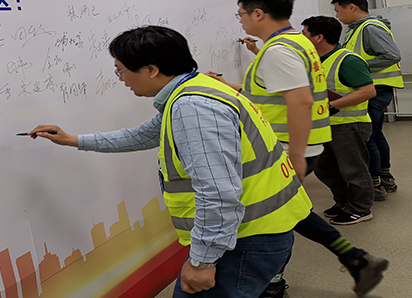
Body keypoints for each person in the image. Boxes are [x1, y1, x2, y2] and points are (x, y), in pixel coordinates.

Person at [28, 25, 313, 298]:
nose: (121, 79)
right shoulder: (196, 88)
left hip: (245, 239)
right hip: (258, 228)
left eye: (121, 71)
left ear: (151, 70)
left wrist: (202, 262)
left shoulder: (194, 107)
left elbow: (218, 192)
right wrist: (73, 139)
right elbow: (143, 135)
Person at [208, 0, 388, 297]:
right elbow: (273, 94)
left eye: (241, 14)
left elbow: (300, 101)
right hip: (289, 145)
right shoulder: (296, 43)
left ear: (258, 14)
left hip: (282, 148)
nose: (241, 20)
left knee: (272, 217)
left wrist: (296, 154)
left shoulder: (278, 50)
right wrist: (225, 85)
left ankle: (275, 283)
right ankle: (355, 259)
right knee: (289, 208)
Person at [301, 16, 376, 225]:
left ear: (318, 37)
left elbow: (368, 91)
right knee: (325, 169)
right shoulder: (314, 60)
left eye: (304, 33)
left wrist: (332, 106)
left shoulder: (348, 60)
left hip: (348, 125)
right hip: (323, 126)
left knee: (353, 169)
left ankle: (361, 209)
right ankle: (343, 202)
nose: (301, 38)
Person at [332, 0, 403, 201]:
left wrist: (358, 67)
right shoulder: (355, 30)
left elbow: (392, 55)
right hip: (373, 87)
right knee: (375, 134)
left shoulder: (370, 28)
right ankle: (384, 178)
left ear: (352, 7)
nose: (337, 16)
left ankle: (375, 183)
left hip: (375, 89)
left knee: (368, 136)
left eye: (338, 10)